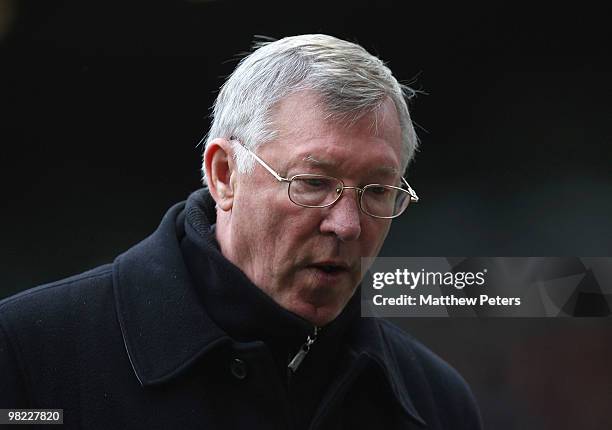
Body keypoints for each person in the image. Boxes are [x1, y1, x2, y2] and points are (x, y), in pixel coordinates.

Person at [0, 34, 482, 429]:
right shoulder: (29, 356)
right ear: (225, 175)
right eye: (313, 183)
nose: (348, 224)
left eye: (378, 191)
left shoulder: (436, 405)